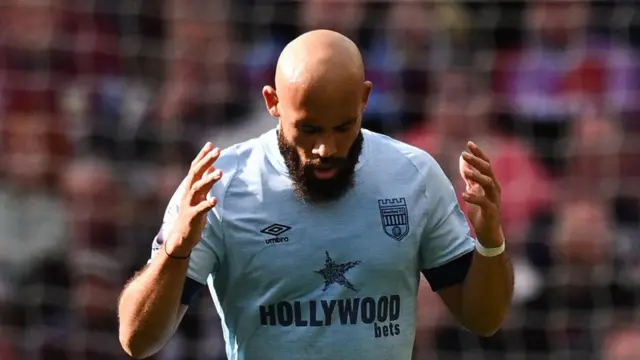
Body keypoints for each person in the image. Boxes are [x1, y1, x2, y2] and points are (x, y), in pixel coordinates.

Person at [117, 30, 514, 360]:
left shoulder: (413, 175)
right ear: (272, 102)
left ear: (364, 98)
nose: (327, 148)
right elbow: (137, 340)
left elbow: (483, 318)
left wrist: (491, 244)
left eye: (343, 127)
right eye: (309, 129)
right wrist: (176, 250)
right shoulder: (222, 184)